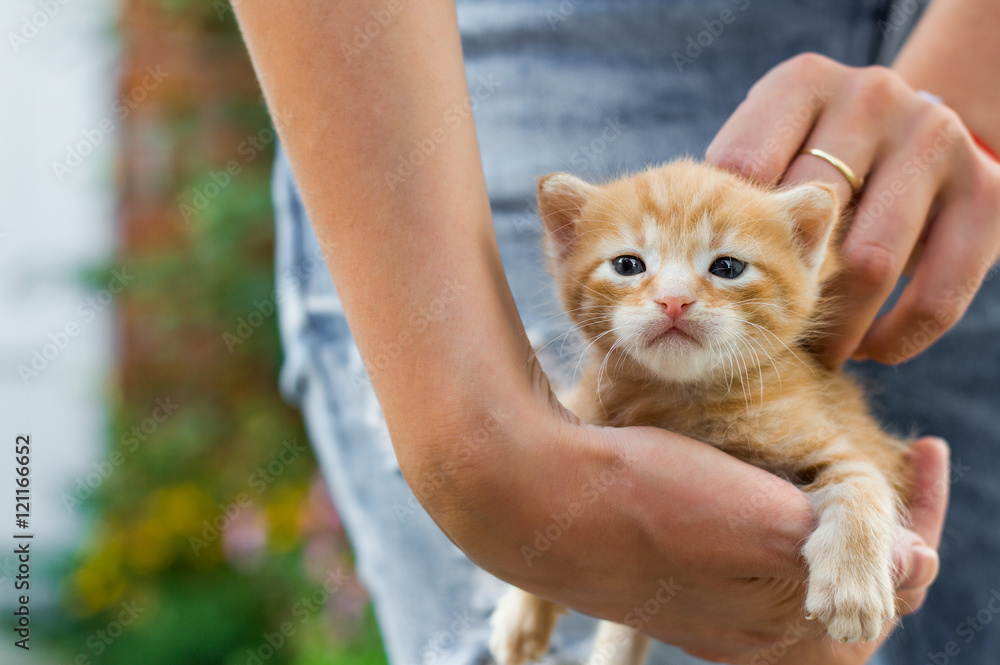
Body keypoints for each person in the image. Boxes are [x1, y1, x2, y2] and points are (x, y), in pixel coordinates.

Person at [234, 0, 1000, 663]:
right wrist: (480, 456)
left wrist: (960, 105)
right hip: (525, 51)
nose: (670, 299)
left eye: (721, 270)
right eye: (631, 265)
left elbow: (843, 464)